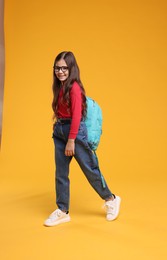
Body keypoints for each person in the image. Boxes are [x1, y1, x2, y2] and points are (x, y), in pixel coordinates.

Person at [44, 51, 121, 227]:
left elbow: (77, 115)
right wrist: (58, 126)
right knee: (61, 173)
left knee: (90, 169)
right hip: (60, 131)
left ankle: (111, 199)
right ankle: (63, 211)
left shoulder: (75, 88)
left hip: (75, 132)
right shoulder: (59, 87)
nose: (60, 71)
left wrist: (71, 140)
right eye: (57, 68)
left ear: (72, 69)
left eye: (64, 68)